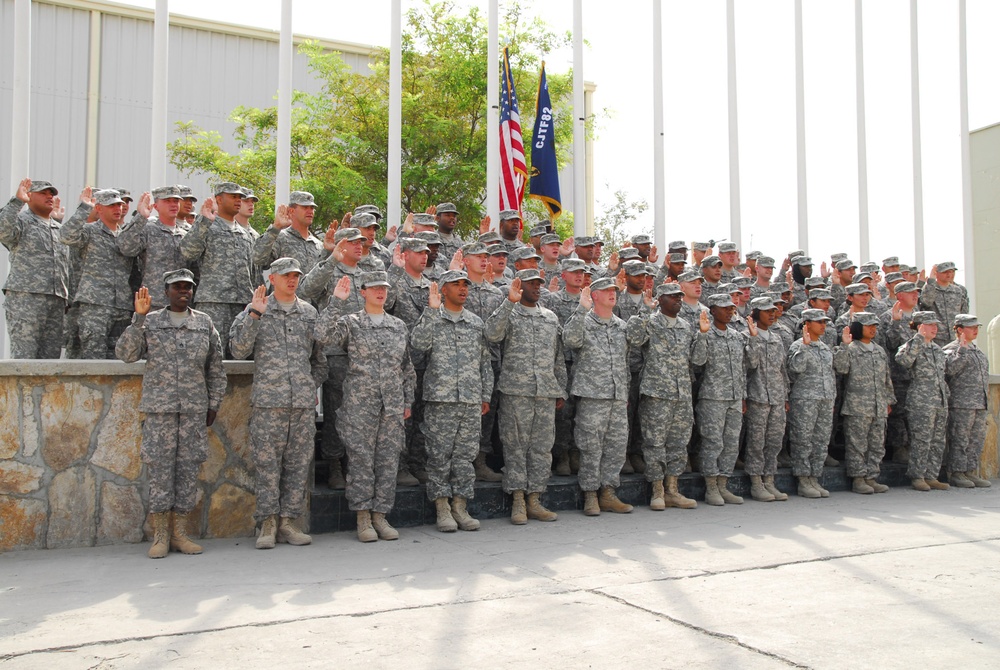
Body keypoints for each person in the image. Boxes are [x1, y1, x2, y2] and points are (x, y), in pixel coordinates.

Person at [116, 269, 227, 558]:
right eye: (177, 287)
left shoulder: (204, 324)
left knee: (188, 469)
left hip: (193, 412)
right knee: (161, 471)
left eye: (188, 287)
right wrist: (137, 318)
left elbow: (216, 368)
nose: (183, 291)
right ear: (166, 291)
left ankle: (180, 533)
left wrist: (213, 403)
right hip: (160, 411)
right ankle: (161, 536)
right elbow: (127, 354)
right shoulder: (151, 323)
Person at [230, 257, 327, 549]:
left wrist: (310, 384)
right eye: (286, 275)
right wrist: (254, 316)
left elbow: (320, 361)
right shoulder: (256, 309)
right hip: (269, 405)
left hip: (300, 406)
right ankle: (268, 523)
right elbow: (237, 350)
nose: (292, 280)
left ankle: (288, 522)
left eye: (296, 275)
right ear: (272, 279)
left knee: (298, 465)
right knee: (267, 465)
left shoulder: (310, 313)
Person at [320, 270, 415, 542]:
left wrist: (407, 400)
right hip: (361, 403)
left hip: (392, 404)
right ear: (362, 292)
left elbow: (407, 369)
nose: (380, 292)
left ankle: (381, 516)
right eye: (374, 288)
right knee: (361, 460)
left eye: (383, 288)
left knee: (387, 459)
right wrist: (336, 301)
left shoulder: (398, 326)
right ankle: (363, 517)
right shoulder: (351, 322)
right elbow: (322, 335)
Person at [409, 270, 492, 532]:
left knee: (465, 456)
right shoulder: (433, 317)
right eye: (456, 285)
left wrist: (485, 394)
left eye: (465, 285)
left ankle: (460, 505)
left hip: (469, 398)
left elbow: (484, 362)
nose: (462, 289)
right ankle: (442, 507)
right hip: (441, 399)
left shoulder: (475, 323)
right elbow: (418, 345)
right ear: (443, 290)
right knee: (439, 456)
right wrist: (431, 312)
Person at [484, 269, 568, 525]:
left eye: (539, 283)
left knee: (541, 448)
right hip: (515, 391)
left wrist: (560, 387)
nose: (537, 287)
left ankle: (535, 498)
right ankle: (518, 500)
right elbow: (492, 334)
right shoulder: (509, 313)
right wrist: (509, 302)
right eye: (531, 283)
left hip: (544, 391)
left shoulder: (550, 318)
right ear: (519, 285)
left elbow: (558, 357)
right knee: (516, 448)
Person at [626, 282, 708, 510]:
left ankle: (673, 489)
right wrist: (644, 309)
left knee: (678, 444)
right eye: (672, 297)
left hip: (681, 394)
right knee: (655, 443)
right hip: (657, 393)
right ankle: (657, 490)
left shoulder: (686, 326)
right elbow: (634, 338)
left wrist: (702, 335)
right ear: (660, 300)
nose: (678, 300)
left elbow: (698, 360)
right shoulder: (650, 323)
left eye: (680, 297)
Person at [562, 278, 634, 516]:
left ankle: (608, 493)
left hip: (616, 395)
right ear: (594, 295)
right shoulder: (584, 321)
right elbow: (570, 341)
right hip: (592, 395)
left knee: (616, 446)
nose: (612, 294)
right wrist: (581, 309)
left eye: (614, 290)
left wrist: (623, 392)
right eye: (606, 290)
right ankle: (591, 494)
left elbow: (624, 363)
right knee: (590, 446)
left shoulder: (621, 326)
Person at [697, 293, 759, 506]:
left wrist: (753, 339)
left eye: (732, 308)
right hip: (713, 397)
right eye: (723, 308)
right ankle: (711, 487)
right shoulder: (705, 333)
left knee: (731, 444)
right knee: (713, 442)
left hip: (734, 398)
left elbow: (749, 365)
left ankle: (723, 484)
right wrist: (703, 335)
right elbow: (697, 361)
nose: (729, 311)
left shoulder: (737, 336)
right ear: (712, 310)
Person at [180, 182, 255, 357]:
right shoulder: (207, 226)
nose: (238, 200)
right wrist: (203, 222)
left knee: (240, 356)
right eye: (233, 197)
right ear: (219, 199)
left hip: (242, 303)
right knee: (211, 356)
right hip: (214, 302)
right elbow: (188, 252)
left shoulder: (246, 234)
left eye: (240, 197)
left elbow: (253, 271)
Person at [0, 179, 73, 358]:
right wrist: (17, 202)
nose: (49, 197)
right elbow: (4, 231)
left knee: (50, 360)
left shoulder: (58, 228)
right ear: (29, 196)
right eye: (43, 193)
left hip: (56, 301)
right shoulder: (22, 222)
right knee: (25, 358)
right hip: (27, 298)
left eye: (51, 194)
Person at [59, 189, 135, 358]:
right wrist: (84, 208)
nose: (118, 209)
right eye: (112, 205)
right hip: (95, 304)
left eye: (120, 204)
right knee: (93, 356)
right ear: (99, 208)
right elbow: (65, 236)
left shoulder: (126, 236)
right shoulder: (89, 231)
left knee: (119, 358)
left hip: (122, 306)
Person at [833, 312, 894, 494]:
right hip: (857, 405)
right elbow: (841, 368)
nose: (873, 329)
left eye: (875, 326)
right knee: (857, 445)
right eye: (869, 326)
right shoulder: (851, 348)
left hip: (878, 405)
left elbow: (886, 378)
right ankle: (858, 479)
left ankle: (871, 476)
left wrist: (889, 400)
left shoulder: (879, 350)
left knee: (876, 444)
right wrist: (844, 345)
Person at [895, 311, 951, 491]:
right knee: (921, 439)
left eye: (936, 325)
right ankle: (918, 476)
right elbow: (903, 360)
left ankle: (931, 475)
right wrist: (918, 339)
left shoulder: (937, 349)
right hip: (921, 400)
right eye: (930, 325)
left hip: (939, 399)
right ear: (920, 327)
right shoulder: (912, 345)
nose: (935, 328)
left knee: (937, 440)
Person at [542, 258, 587, 476]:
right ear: (563, 275)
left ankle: (576, 453)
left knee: (581, 411)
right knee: (562, 413)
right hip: (560, 361)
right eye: (574, 272)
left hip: (584, 363)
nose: (579, 276)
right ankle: (562, 456)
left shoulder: (590, 302)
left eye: (582, 272)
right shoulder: (553, 300)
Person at [743, 296, 790, 502]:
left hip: (777, 397)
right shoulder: (745, 336)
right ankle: (756, 482)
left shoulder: (776, 338)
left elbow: (782, 370)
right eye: (766, 311)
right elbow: (748, 367)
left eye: (773, 311)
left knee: (774, 441)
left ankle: (769, 480)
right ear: (755, 314)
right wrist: (753, 338)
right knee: (756, 441)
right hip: (757, 397)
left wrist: (785, 395)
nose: (772, 314)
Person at [786, 309, 837, 498]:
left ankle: (815, 477)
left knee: (821, 440)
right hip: (805, 399)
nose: (823, 325)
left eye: (824, 322)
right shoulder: (798, 346)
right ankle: (803, 479)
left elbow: (830, 374)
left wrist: (831, 397)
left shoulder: (825, 347)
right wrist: (804, 348)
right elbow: (794, 370)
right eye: (818, 322)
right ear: (806, 324)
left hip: (824, 398)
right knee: (803, 440)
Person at [117, 186, 192, 311]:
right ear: (156, 206)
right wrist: (140, 217)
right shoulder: (148, 229)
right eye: (167, 201)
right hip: (154, 302)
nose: (173, 204)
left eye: (176, 201)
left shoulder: (185, 235)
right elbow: (126, 248)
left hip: (180, 302)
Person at [943, 314, 992, 488]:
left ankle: (971, 471)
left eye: (976, 327)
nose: (975, 330)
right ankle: (957, 473)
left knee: (976, 439)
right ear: (959, 330)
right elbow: (950, 371)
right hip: (961, 403)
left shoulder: (976, 350)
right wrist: (961, 351)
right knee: (960, 439)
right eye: (971, 327)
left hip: (979, 402)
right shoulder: (951, 349)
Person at [877, 281, 920, 464]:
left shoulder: (920, 317)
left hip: (919, 376)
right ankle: (899, 448)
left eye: (916, 292)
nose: (915, 295)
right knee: (899, 414)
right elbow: (891, 344)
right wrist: (895, 323)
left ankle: (914, 447)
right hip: (899, 374)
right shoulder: (889, 317)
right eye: (911, 292)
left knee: (916, 414)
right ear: (900, 295)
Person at [252, 191, 327, 275]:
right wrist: (276, 227)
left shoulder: (318, 245)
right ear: (291, 211)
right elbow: (258, 259)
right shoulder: (279, 238)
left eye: (312, 208)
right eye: (305, 207)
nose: (310, 211)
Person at [919, 262, 970, 346]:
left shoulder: (958, 291)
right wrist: (931, 280)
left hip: (955, 336)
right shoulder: (930, 288)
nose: (949, 274)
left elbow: (964, 313)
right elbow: (926, 302)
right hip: (936, 337)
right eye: (945, 272)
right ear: (937, 273)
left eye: (952, 271)